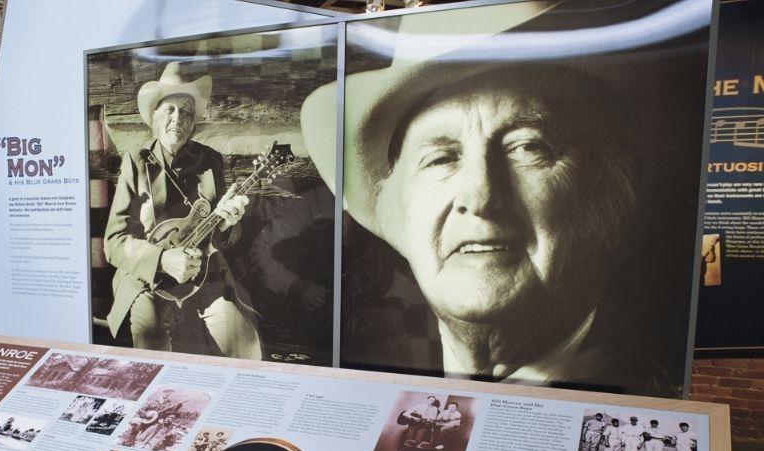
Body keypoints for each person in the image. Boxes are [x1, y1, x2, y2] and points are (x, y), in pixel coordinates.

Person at [299, 2, 702, 398]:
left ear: (609, 203)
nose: (480, 196)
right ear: (399, 213)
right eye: (440, 157)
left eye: (527, 148)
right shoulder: (359, 373)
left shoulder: (663, 391)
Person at [103, 61, 261, 359]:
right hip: (148, 278)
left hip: (205, 276)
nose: (178, 118)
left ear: (193, 122)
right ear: (154, 117)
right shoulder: (135, 162)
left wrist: (228, 225)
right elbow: (114, 242)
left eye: (186, 112)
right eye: (170, 110)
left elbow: (224, 235)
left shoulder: (210, 161)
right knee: (150, 338)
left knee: (241, 343)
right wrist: (162, 259)